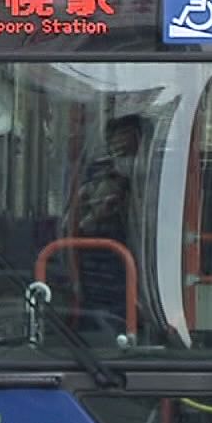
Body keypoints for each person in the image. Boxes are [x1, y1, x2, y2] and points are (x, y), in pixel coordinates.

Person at [68, 115, 144, 327]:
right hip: (101, 254)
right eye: (118, 139)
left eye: (129, 139)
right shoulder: (97, 173)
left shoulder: (150, 173)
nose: (122, 144)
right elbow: (81, 218)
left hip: (142, 254)